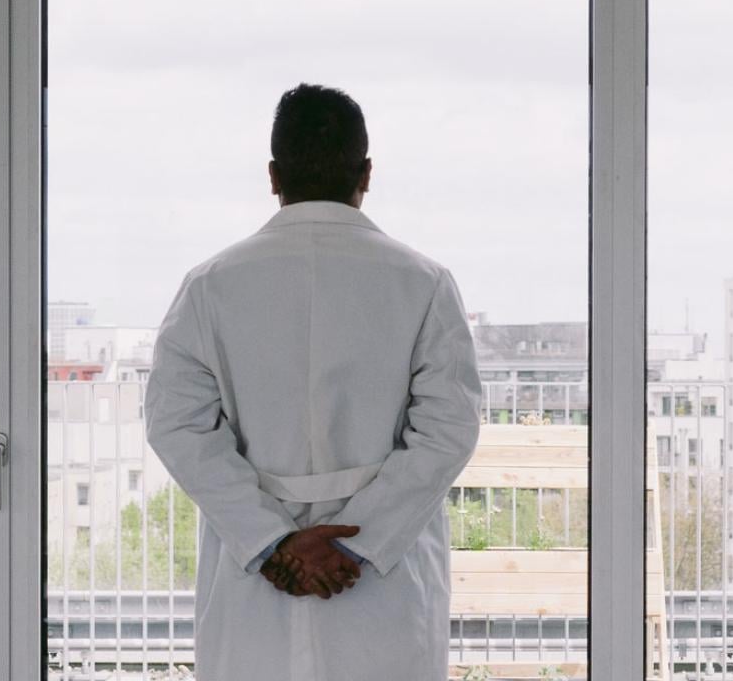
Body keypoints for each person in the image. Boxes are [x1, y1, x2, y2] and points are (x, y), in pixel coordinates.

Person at [145, 83, 482, 680]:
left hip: (255, 575)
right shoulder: (423, 281)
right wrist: (360, 541)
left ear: (273, 176)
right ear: (367, 173)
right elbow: (447, 430)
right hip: (385, 574)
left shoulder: (210, 284)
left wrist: (270, 542)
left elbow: (177, 425)